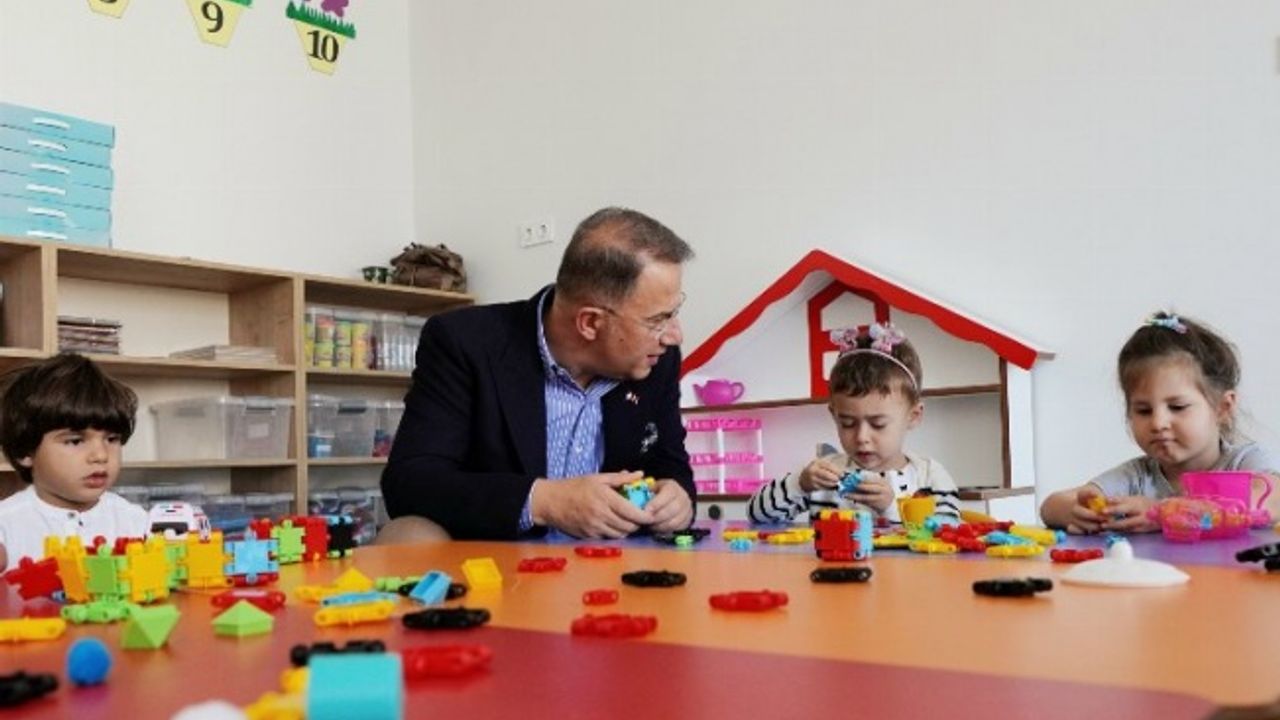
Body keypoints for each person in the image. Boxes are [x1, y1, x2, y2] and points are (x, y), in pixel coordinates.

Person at [379, 207, 696, 541]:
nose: (675, 336)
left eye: (673, 313)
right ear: (590, 322)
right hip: (493, 559)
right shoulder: (465, 342)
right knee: (407, 536)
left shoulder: (656, 361)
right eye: (657, 320)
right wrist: (544, 501)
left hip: (613, 561)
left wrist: (677, 498)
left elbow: (671, 465)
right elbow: (410, 483)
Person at [1041, 311, 1280, 534]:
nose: (1158, 422)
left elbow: (1272, 500)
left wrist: (1162, 512)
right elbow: (1052, 505)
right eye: (1143, 410)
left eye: (1177, 407)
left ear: (1222, 407)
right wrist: (1080, 511)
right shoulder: (1136, 476)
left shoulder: (1245, 462)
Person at [747, 323, 960, 524]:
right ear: (834, 415)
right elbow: (757, 516)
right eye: (847, 423)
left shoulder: (929, 476)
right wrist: (799, 484)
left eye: (878, 424)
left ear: (913, 416)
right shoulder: (824, 474)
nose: (861, 437)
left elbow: (948, 533)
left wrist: (892, 509)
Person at [0, 353, 149, 570]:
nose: (100, 455)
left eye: (111, 439)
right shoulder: (5, 525)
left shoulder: (137, 522)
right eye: (76, 441)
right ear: (25, 452)